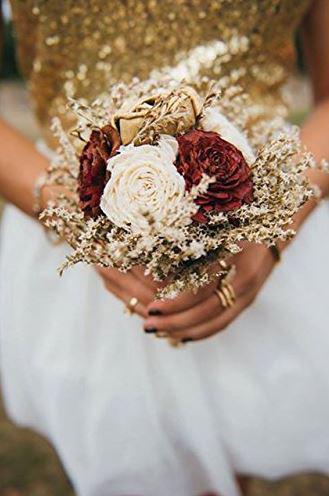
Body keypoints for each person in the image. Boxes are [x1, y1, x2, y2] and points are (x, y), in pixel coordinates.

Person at [0, 1, 329, 495]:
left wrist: (270, 237)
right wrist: (78, 216)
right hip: (72, 231)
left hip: (262, 218)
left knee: (239, 438)